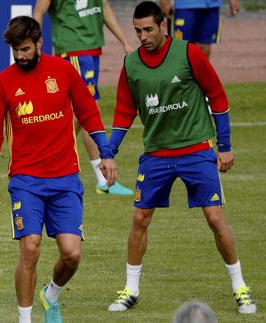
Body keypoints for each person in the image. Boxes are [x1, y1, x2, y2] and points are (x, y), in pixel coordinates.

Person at [106, 1, 256, 315]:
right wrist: (110, 151)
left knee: (215, 219)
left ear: (163, 25)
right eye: (137, 31)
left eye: (148, 29)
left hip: (196, 151)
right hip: (156, 155)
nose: (142, 36)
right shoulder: (131, 64)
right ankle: (130, 290)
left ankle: (240, 288)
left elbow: (218, 96)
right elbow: (123, 111)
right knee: (139, 219)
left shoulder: (189, 54)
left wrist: (224, 146)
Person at [0, 16, 118, 323]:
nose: (21, 56)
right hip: (26, 180)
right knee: (30, 248)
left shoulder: (64, 71)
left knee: (72, 254)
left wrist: (106, 153)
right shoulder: (4, 82)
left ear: (40, 43)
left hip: (65, 177)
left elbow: (89, 112)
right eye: (16, 50)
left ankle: (51, 294)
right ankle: (25, 319)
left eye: (26, 49)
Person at [33, 0, 134, 196]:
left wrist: (125, 41)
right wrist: (36, 45)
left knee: (82, 112)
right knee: (87, 111)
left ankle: (49, 159)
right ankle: (51, 159)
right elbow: (38, 12)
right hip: (72, 50)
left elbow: (104, 8)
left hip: (92, 49)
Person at [159, 0, 239, 57]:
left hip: (211, 6)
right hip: (183, 6)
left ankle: (200, 80)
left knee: (204, 50)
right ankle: (180, 79)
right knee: (181, 50)